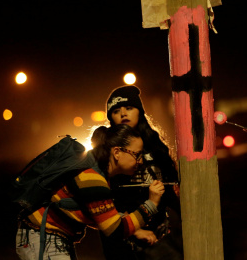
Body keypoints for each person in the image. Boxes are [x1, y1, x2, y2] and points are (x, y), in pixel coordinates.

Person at [15, 124, 166, 260]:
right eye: (137, 154)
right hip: (44, 238)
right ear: (117, 152)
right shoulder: (92, 178)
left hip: (48, 237)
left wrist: (135, 230)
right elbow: (114, 231)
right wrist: (151, 204)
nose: (140, 161)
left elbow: (99, 214)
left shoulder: (95, 171)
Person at [101, 85, 182, 259]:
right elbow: (101, 198)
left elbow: (171, 185)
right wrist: (134, 229)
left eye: (129, 108)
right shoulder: (105, 148)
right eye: (116, 111)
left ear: (139, 111)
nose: (123, 114)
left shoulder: (154, 144)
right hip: (124, 230)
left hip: (160, 231)